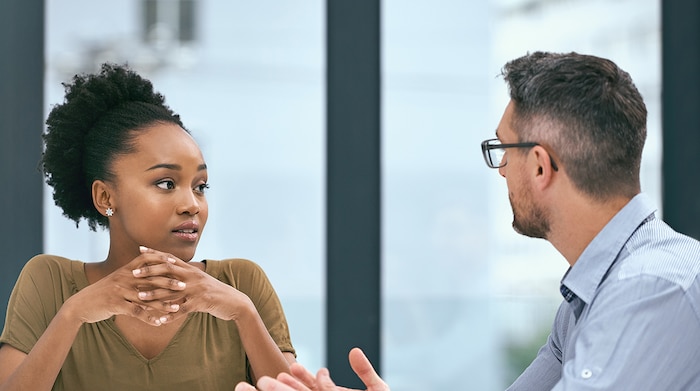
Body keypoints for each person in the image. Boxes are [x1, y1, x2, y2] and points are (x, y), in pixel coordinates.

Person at [235, 51, 700, 390]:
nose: (500, 170)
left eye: (502, 150)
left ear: (540, 166)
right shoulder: (590, 295)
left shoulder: (652, 288)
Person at [0, 63, 296, 390]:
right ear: (104, 196)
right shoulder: (49, 283)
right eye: (166, 183)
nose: (192, 204)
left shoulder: (242, 284)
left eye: (200, 186)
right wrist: (74, 314)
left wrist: (243, 312)